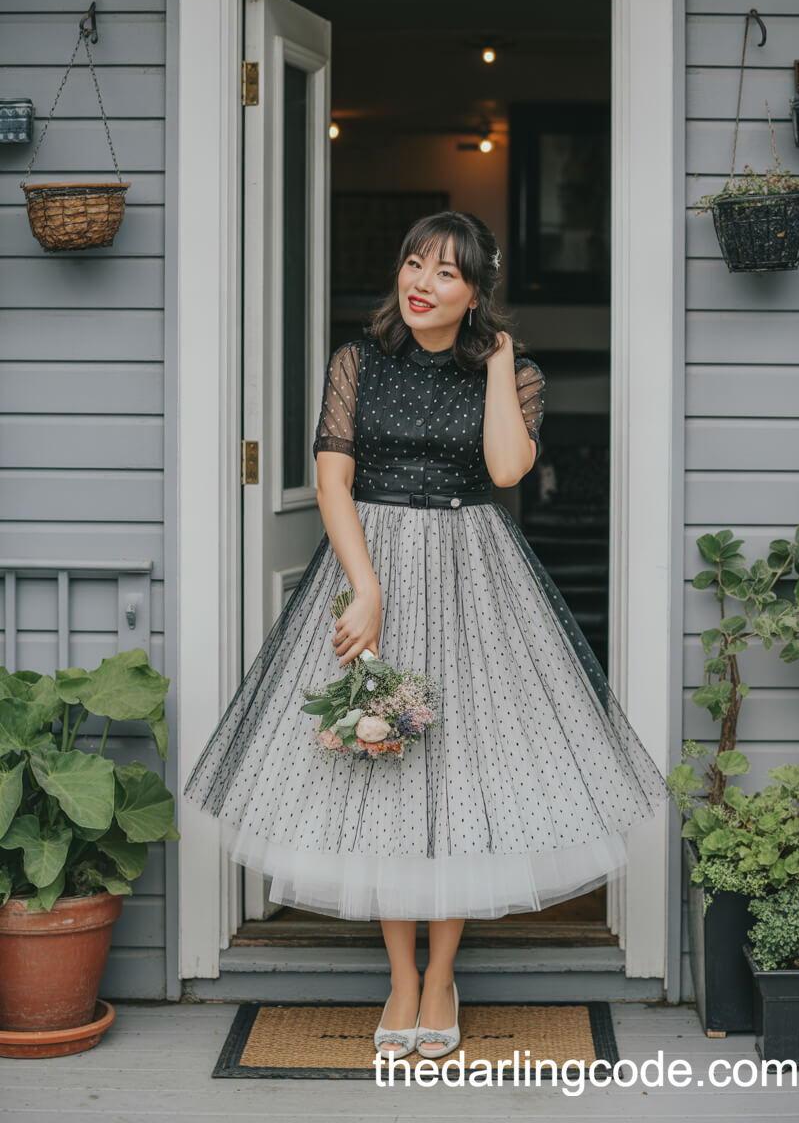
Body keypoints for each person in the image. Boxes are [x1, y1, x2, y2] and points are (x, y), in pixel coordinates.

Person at [184, 210, 670, 1060]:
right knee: (381, 773)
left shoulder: (510, 372)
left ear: (477, 291)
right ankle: (400, 976)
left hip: (474, 575)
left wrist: (502, 359)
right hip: (371, 567)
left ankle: (442, 976)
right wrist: (364, 588)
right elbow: (332, 480)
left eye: (447, 272)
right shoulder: (357, 361)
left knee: (458, 773)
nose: (421, 282)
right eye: (414, 263)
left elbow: (508, 469)